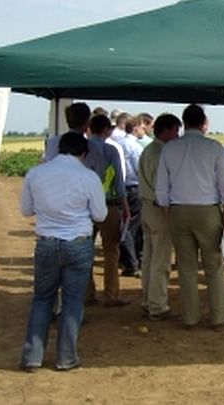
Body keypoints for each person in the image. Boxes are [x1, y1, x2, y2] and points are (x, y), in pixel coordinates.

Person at [19, 132, 107, 372]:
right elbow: (100, 214)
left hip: (47, 241)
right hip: (77, 241)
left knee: (42, 298)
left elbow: (26, 210)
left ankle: (32, 356)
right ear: (84, 153)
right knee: (72, 301)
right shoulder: (89, 177)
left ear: (59, 150)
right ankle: (66, 357)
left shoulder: (36, 173)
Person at [156, 104, 224, 330]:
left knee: (186, 266)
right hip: (208, 210)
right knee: (213, 265)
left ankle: (191, 317)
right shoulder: (214, 148)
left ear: (184, 122)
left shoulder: (169, 149)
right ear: (203, 123)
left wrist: (168, 209)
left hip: (178, 210)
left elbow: (162, 187)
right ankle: (219, 316)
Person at [137, 113, 181, 320]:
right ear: (166, 130)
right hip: (158, 209)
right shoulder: (161, 154)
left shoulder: (149, 150)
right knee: (161, 260)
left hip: (147, 207)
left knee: (149, 257)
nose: (177, 135)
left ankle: (148, 300)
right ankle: (158, 305)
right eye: (175, 131)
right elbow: (162, 188)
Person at [86, 114, 131, 307]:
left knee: (85, 250)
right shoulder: (110, 150)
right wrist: (125, 204)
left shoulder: (82, 148)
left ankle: (87, 293)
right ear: (106, 130)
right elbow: (118, 180)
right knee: (111, 250)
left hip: (85, 205)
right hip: (108, 203)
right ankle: (111, 293)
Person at [117, 114, 144, 277]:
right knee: (133, 227)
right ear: (135, 128)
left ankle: (127, 261)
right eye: (141, 127)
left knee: (124, 225)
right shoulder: (135, 147)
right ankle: (133, 262)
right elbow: (140, 169)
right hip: (134, 187)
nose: (143, 130)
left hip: (121, 189)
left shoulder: (118, 144)